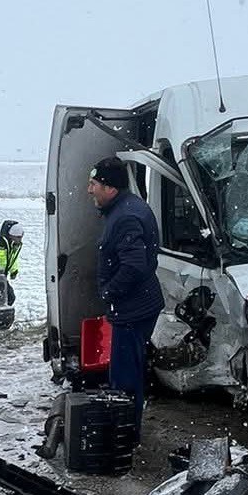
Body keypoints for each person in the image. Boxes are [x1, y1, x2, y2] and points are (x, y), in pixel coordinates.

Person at [87, 157, 163, 441]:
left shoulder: (126, 217)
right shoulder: (128, 207)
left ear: (110, 188)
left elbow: (134, 266)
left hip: (133, 310)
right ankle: (127, 428)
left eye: (93, 184)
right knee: (130, 369)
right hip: (140, 303)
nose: (89, 190)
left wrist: (109, 291)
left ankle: (125, 437)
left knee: (125, 376)